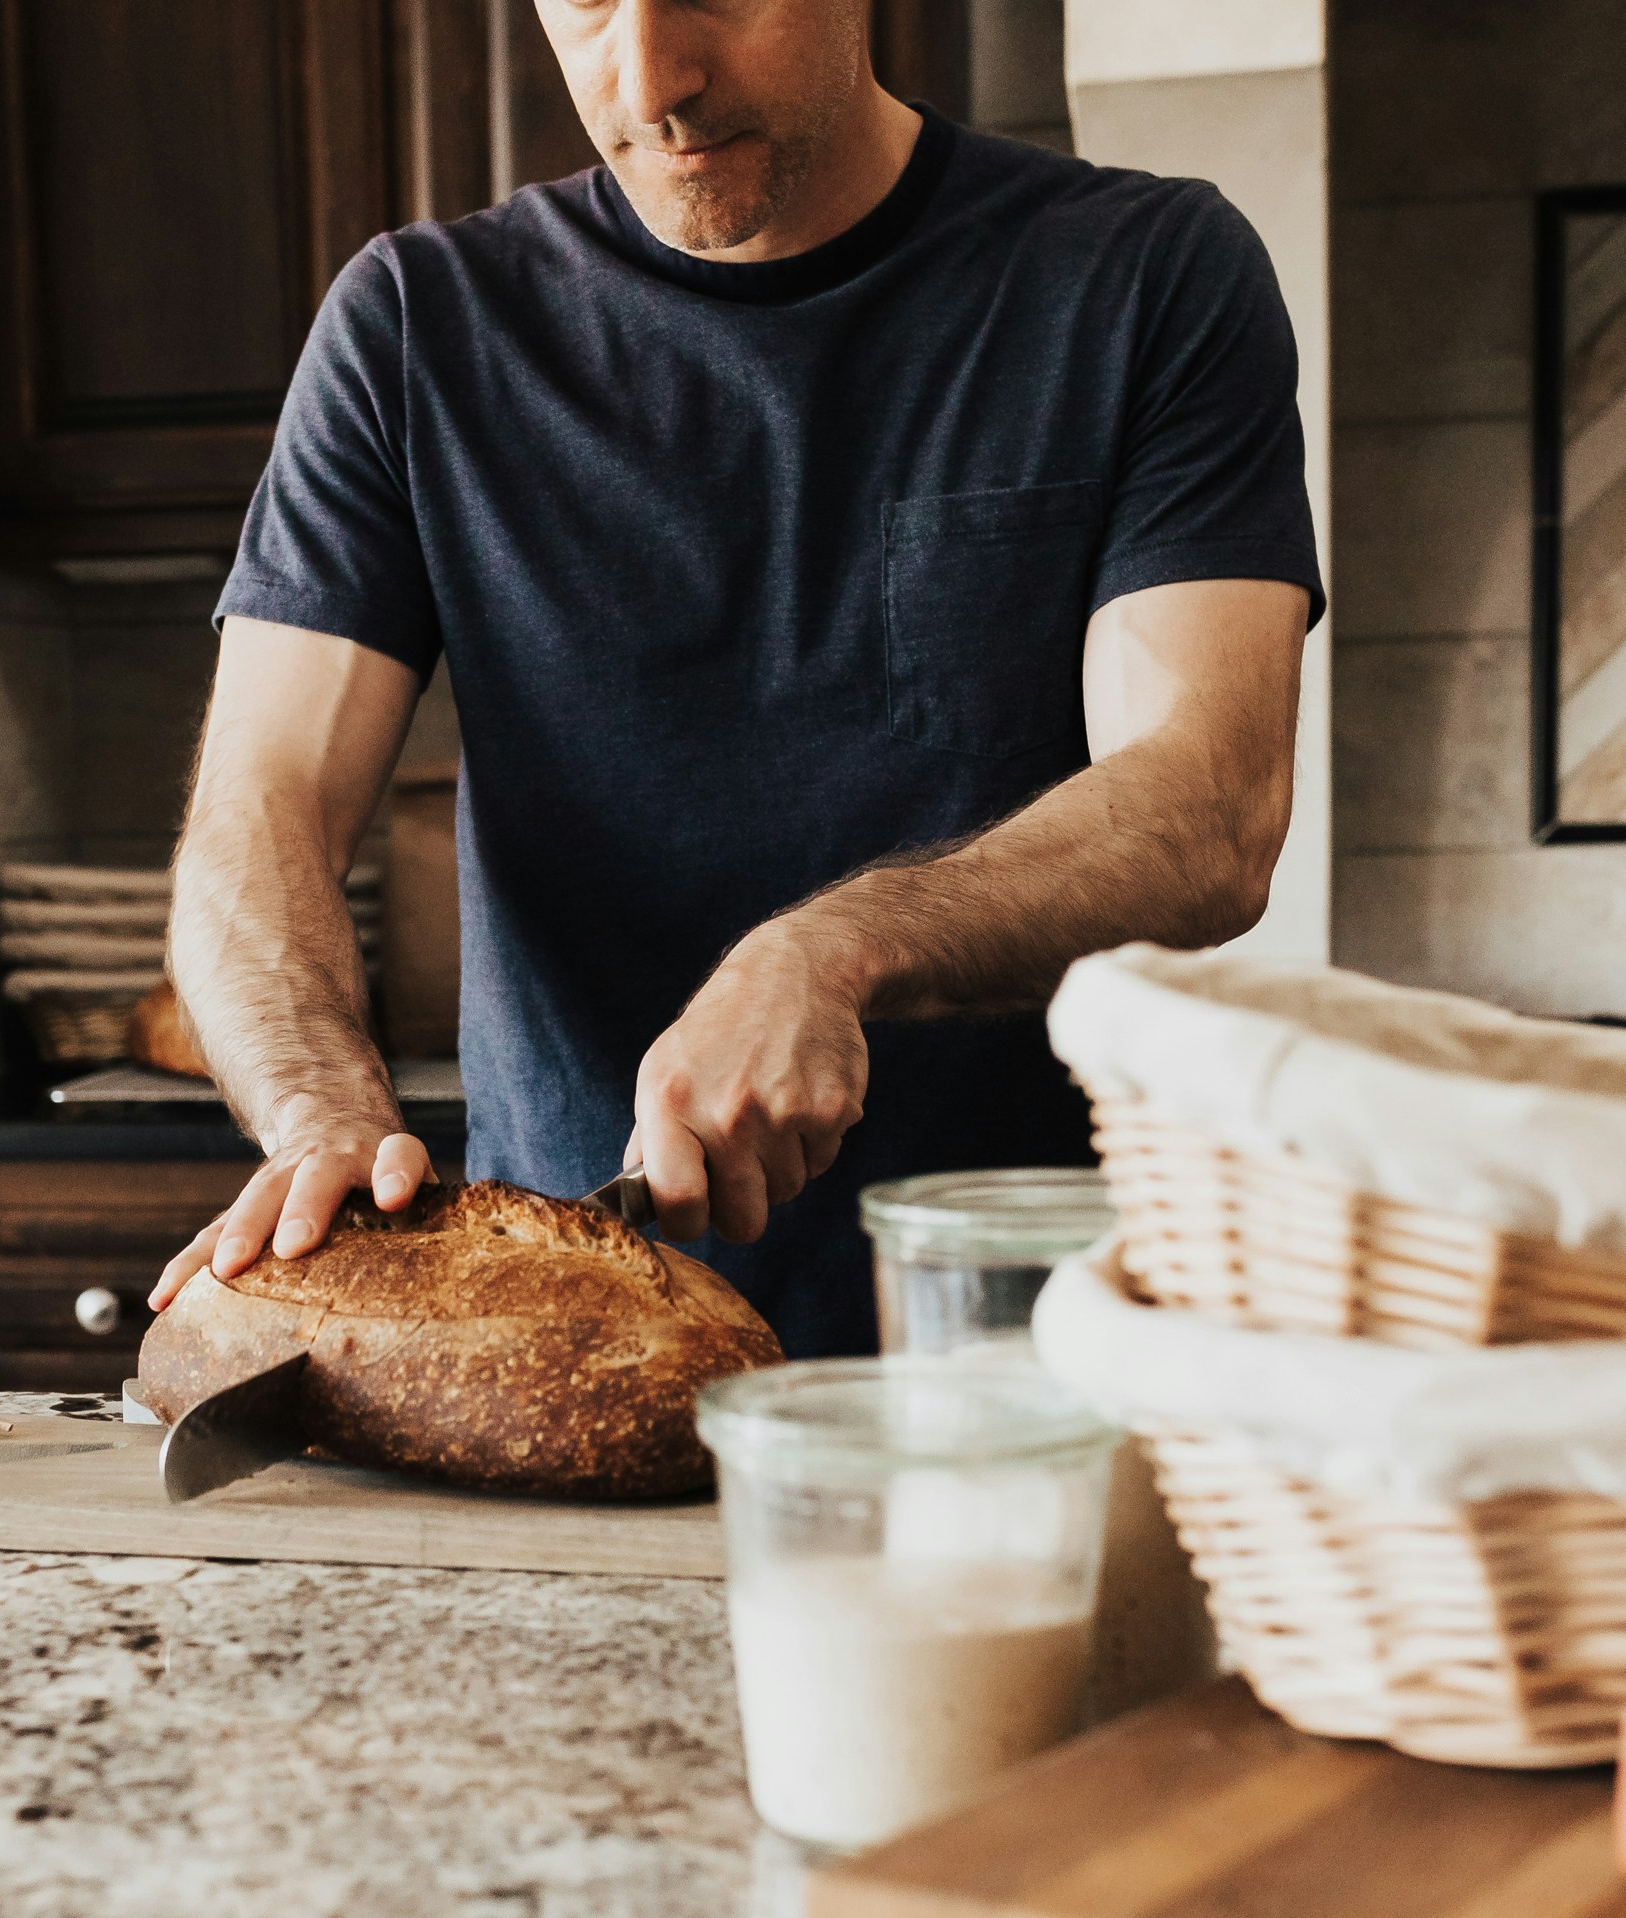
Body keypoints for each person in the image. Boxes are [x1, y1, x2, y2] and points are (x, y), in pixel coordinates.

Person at [146, 0, 1322, 1358]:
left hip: (1027, 1340)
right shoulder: (417, 326)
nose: (654, 84)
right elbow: (262, 798)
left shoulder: (1143, 278)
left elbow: (1211, 807)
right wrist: (319, 1114)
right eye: (587, 3)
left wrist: (835, 949)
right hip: (564, 1344)